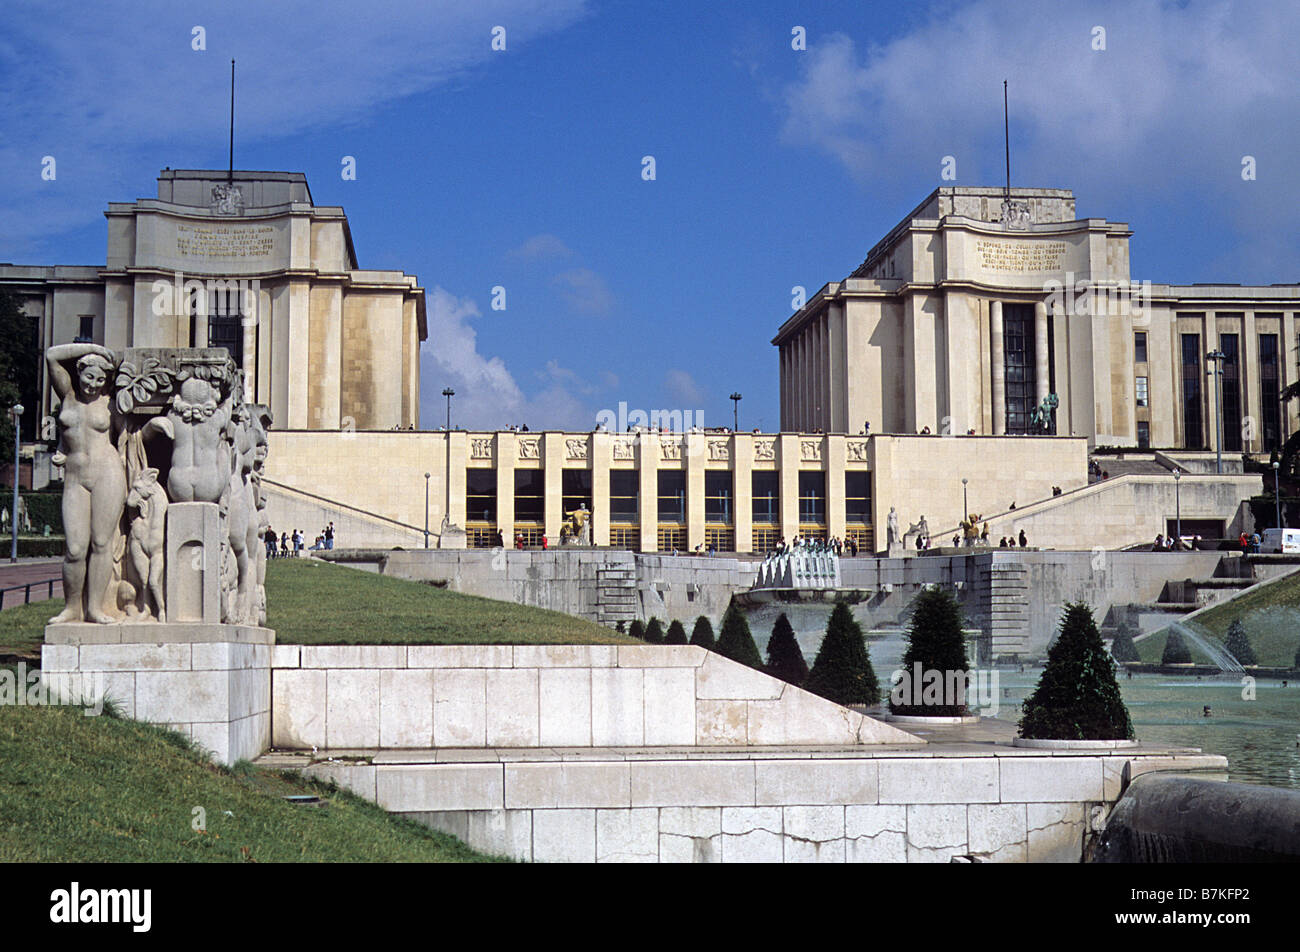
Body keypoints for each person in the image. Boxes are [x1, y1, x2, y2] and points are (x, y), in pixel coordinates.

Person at [45, 343, 126, 624]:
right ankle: (71, 608)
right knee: (75, 548)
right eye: (89, 377)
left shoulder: (110, 401)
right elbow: (51, 355)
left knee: (102, 542)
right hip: (75, 476)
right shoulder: (66, 395)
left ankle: (94, 608)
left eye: (101, 379)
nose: (93, 385)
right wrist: (95, 349)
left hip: (108, 472)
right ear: (78, 372)